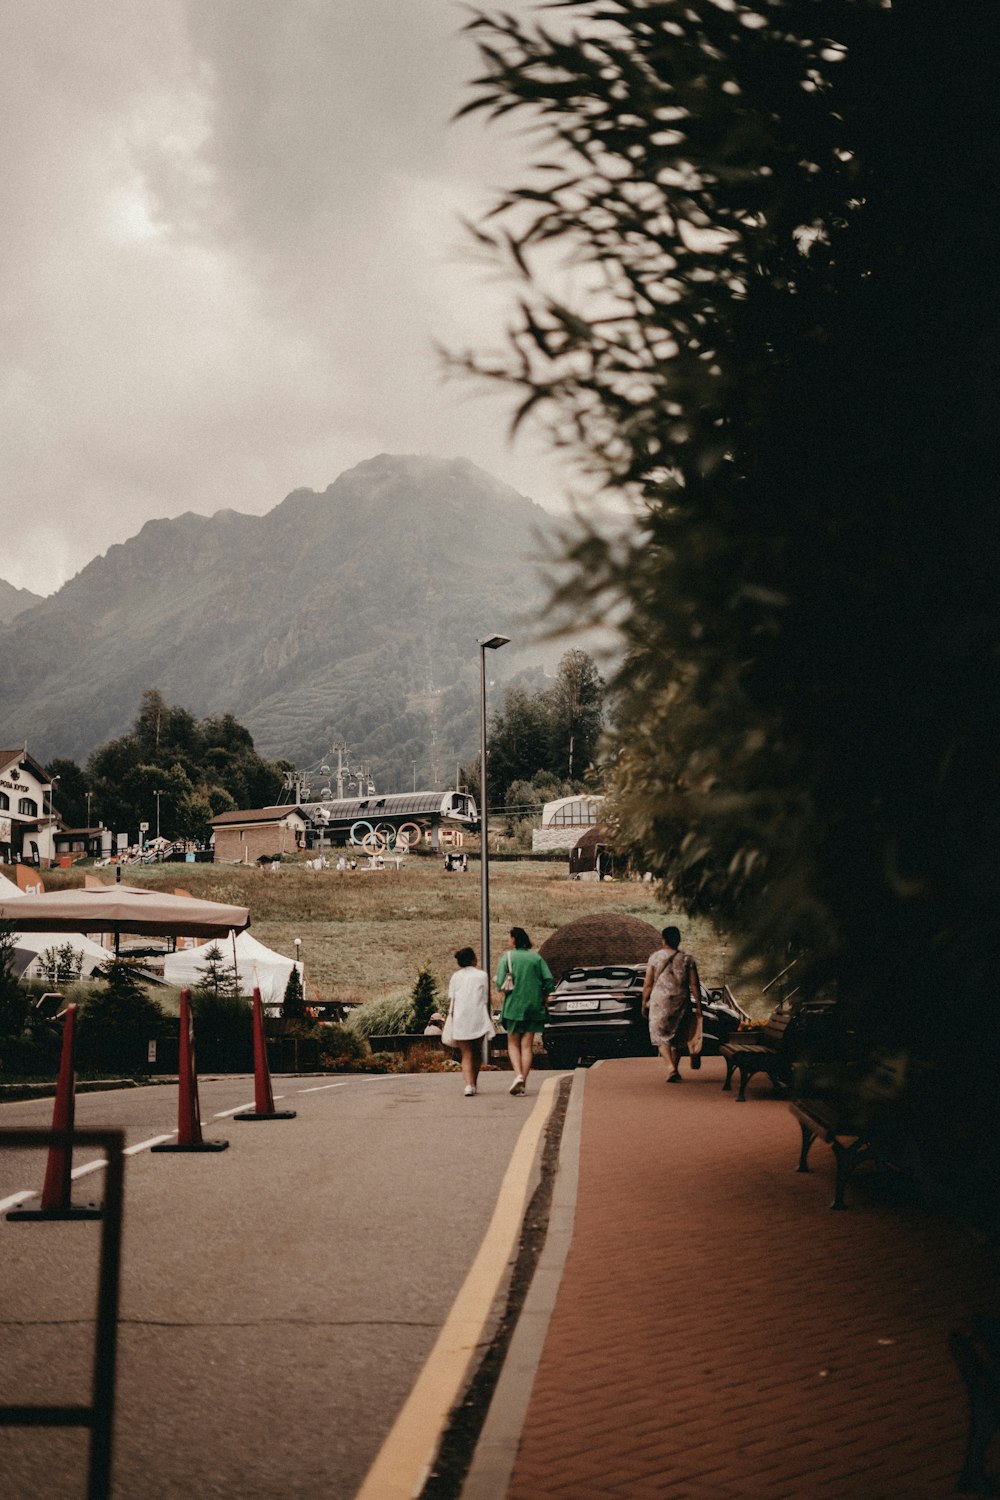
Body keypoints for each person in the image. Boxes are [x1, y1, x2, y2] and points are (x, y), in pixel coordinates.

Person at [497, 927, 554, 1096]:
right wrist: (545, 994)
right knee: (527, 1045)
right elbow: (549, 980)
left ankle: (518, 1075)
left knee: (513, 1044)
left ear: (514, 939)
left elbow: (500, 982)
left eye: (509, 937)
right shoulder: (536, 958)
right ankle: (523, 1084)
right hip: (534, 1006)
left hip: (514, 1006)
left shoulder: (507, 957)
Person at [642, 925, 703, 1083]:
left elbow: (648, 984)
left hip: (660, 1001)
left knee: (660, 1035)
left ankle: (670, 1068)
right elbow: (694, 984)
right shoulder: (687, 959)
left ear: (663, 940)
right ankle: (674, 1069)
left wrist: (643, 1002)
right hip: (681, 1000)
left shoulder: (655, 958)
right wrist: (699, 1005)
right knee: (678, 1035)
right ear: (678, 940)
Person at [447, 948, 493, 1096]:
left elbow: (452, 999)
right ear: (473, 959)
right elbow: (485, 998)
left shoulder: (455, 977)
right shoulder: (482, 975)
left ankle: (468, 1085)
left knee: (466, 1054)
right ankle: (474, 1082)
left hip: (461, 1018)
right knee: (477, 1052)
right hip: (478, 1017)